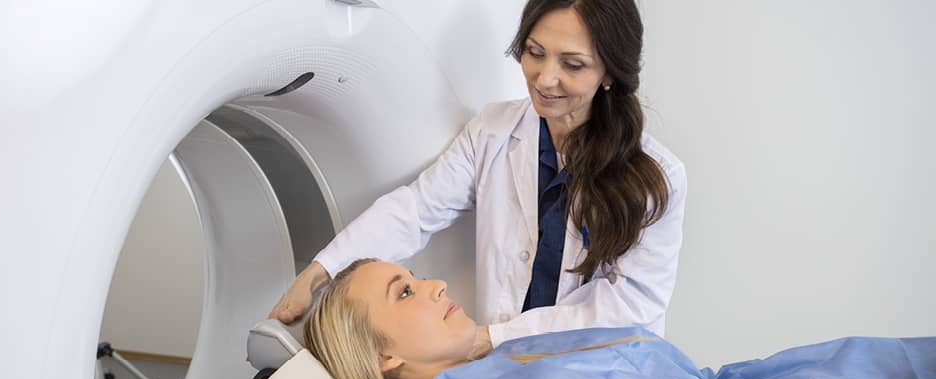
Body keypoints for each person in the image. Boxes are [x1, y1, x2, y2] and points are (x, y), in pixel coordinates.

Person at [272, 0, 687, 358]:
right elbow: (417, 211)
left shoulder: (657, 178)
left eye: (572, 64)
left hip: (602, 371)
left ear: (609, 73)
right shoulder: (493, 131)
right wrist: (321, 270)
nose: (544, 78)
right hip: (506, 374)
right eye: (534, 52)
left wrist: (493, 338)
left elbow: (631, 304)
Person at [302, 259, 936, 379]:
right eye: (405, 292)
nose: (437, 284)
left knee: (884, 364)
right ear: (380, 356)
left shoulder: (500, 355)